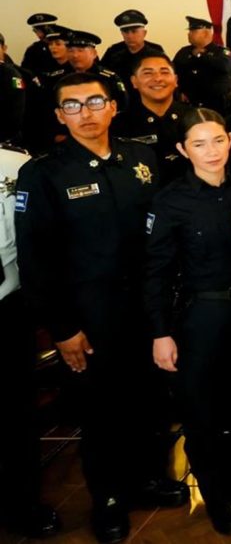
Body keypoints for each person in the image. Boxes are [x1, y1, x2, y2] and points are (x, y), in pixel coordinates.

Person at [15, 73, 188, 544]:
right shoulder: (44, 173)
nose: (86, 113)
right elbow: (36, 259)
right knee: (101, 410)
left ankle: (149, 477)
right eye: (73, 106)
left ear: (113, 106)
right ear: (58, 116)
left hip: (147, 308)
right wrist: (63, 328)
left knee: (151, 399)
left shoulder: (141, 158)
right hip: (90, 316)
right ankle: (108, 498)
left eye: (95, 101)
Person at [142, 109, 231, 535]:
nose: (211, 151)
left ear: (230, 139)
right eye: (199, 143)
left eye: (217, 140)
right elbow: (156, 271)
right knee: (203, 411)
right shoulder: (170, 199)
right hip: (201, 316)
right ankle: (217, 496)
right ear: (182, 149)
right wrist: (160, 332)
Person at [0, 141, 61, 540]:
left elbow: (38, 238)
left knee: (13, 412)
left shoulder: (17, 164)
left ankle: (22, 504)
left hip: (6, 301)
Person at [112, 51, 193, 183]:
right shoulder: (118, 125)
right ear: (134, 81)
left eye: (165, 72)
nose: (157, 78)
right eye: (148, 73)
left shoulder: (197, 118)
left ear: (176, 80)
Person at [173, 16, 231, 112]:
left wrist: (201, 55)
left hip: (216, 106)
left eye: (193, 31)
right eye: (189, 31)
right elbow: (173, 72)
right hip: (189, 105)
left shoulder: (221, 52)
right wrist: (179, 92)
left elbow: (226, 66)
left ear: (206, 33)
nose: (189, 34)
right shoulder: (184, 52)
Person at [101, 9, 166, 88]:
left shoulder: (156, 51)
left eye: (134, 31)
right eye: (126, 32)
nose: (130, 36)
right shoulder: (113, 51)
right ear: (121, 33)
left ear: (144, 33)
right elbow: (103, 77)